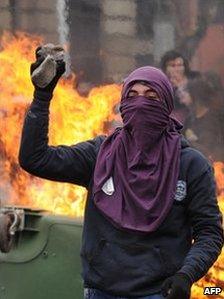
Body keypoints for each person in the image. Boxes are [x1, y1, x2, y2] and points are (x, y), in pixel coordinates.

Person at [19, 47, 224, 299]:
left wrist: (186, 275)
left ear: (167, 104)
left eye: (151, 96)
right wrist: (42, 96)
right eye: (133, 95)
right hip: (101, 290)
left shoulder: (191, 164)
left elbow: (209, 232)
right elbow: (35, 159)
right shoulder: (99, 155)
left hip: (159, 292)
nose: (141, 103)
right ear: (124, 103)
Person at [183, 73, 224, 162]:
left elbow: (207, 150)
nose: (184, 95)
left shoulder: (211, 120)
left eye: (187, 93)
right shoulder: (190, 117)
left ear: (196, 97)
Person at [160, 50, 200, 124]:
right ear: (165, 68)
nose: (177, 69)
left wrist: (180, 85)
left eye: (180, 65)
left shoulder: (195, 78)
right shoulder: (163, 84)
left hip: (197, 119)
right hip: (174, 122)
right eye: (173, 66)